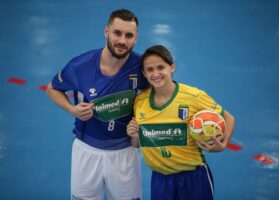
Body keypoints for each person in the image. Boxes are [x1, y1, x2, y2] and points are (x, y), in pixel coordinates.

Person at [47, 9, 148, 200]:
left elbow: (160, 95)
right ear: (106, 31)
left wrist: (141, 128)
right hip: (86, 151)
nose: (122, 41)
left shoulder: (143, 66)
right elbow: (52, 88)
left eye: (129, 35)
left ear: (136, 38)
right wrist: (71, 109)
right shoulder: (80, 65)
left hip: (125, 153)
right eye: (117, 33)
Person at [127, 45, 235, 200]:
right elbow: (136, 144)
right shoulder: (140, 101)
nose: (156, 74)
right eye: (150, 69)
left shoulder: (193, 97)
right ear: (144, 73)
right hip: (160, 179)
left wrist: (223, 144)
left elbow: (229, 118)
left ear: (172, 67)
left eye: (160, 67)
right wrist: (134, 135)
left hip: (194, 177)